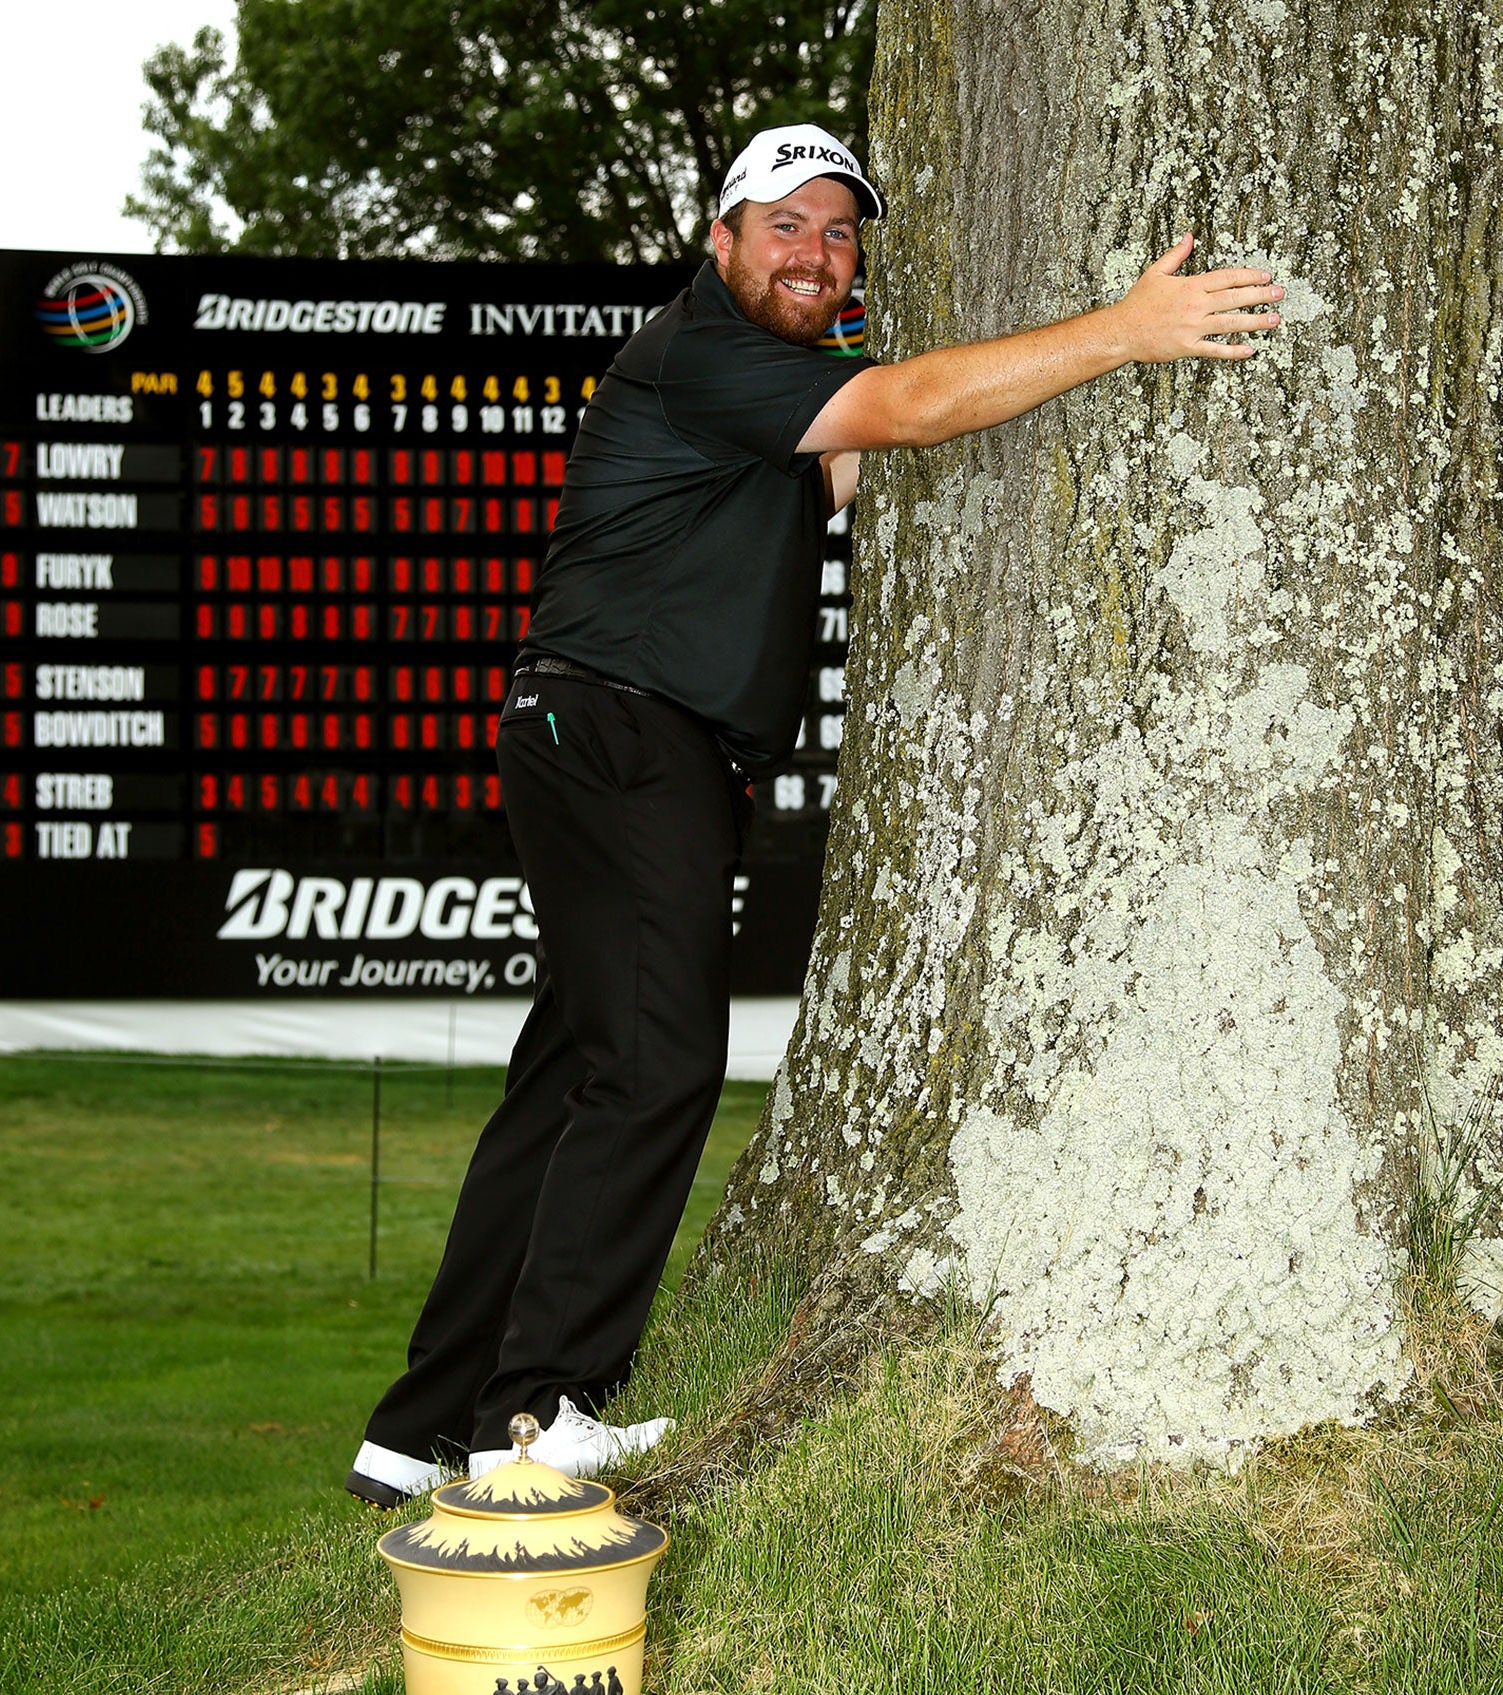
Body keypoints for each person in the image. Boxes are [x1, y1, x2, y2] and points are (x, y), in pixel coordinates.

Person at [345, 122, 1281, 1508]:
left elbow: (854, 445)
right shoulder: (696, 352)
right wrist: (1124, 331)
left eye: (841, 231)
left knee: (572, 1081)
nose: (816, 251)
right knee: (657, 1064)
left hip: (608, 736)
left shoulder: (752, 405)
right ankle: (529, 1423)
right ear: (717, 240)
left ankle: (421, 1423)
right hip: (622, 732)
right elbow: (901, 409)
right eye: (784, 222)